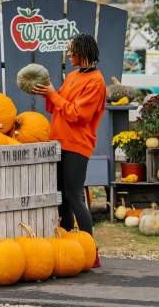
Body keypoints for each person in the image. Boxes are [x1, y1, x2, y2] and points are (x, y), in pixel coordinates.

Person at [33, 33, 106, 267]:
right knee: (61, 198)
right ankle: (65, 248)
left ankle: (90, 253)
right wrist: (49, 92)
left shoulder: (96, 81)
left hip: (77, 144)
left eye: (72, 50)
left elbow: (78, 114)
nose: (69, 54)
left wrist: (54, 95)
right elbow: (59, 104)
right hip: (58, 143)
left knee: (74, 196)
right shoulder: (73, 75)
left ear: (83, 52)